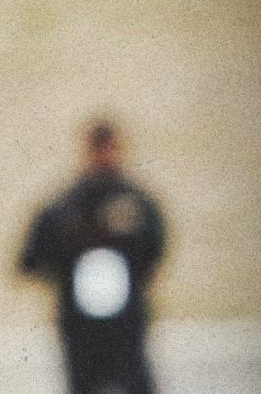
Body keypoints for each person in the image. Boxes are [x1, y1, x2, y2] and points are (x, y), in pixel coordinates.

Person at [19, 119, 166, 394]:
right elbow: (31, 259)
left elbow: (155, 251)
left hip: (126, 324)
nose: (105, 156)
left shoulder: (137, 204)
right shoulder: (64, 206)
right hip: (81, 327)